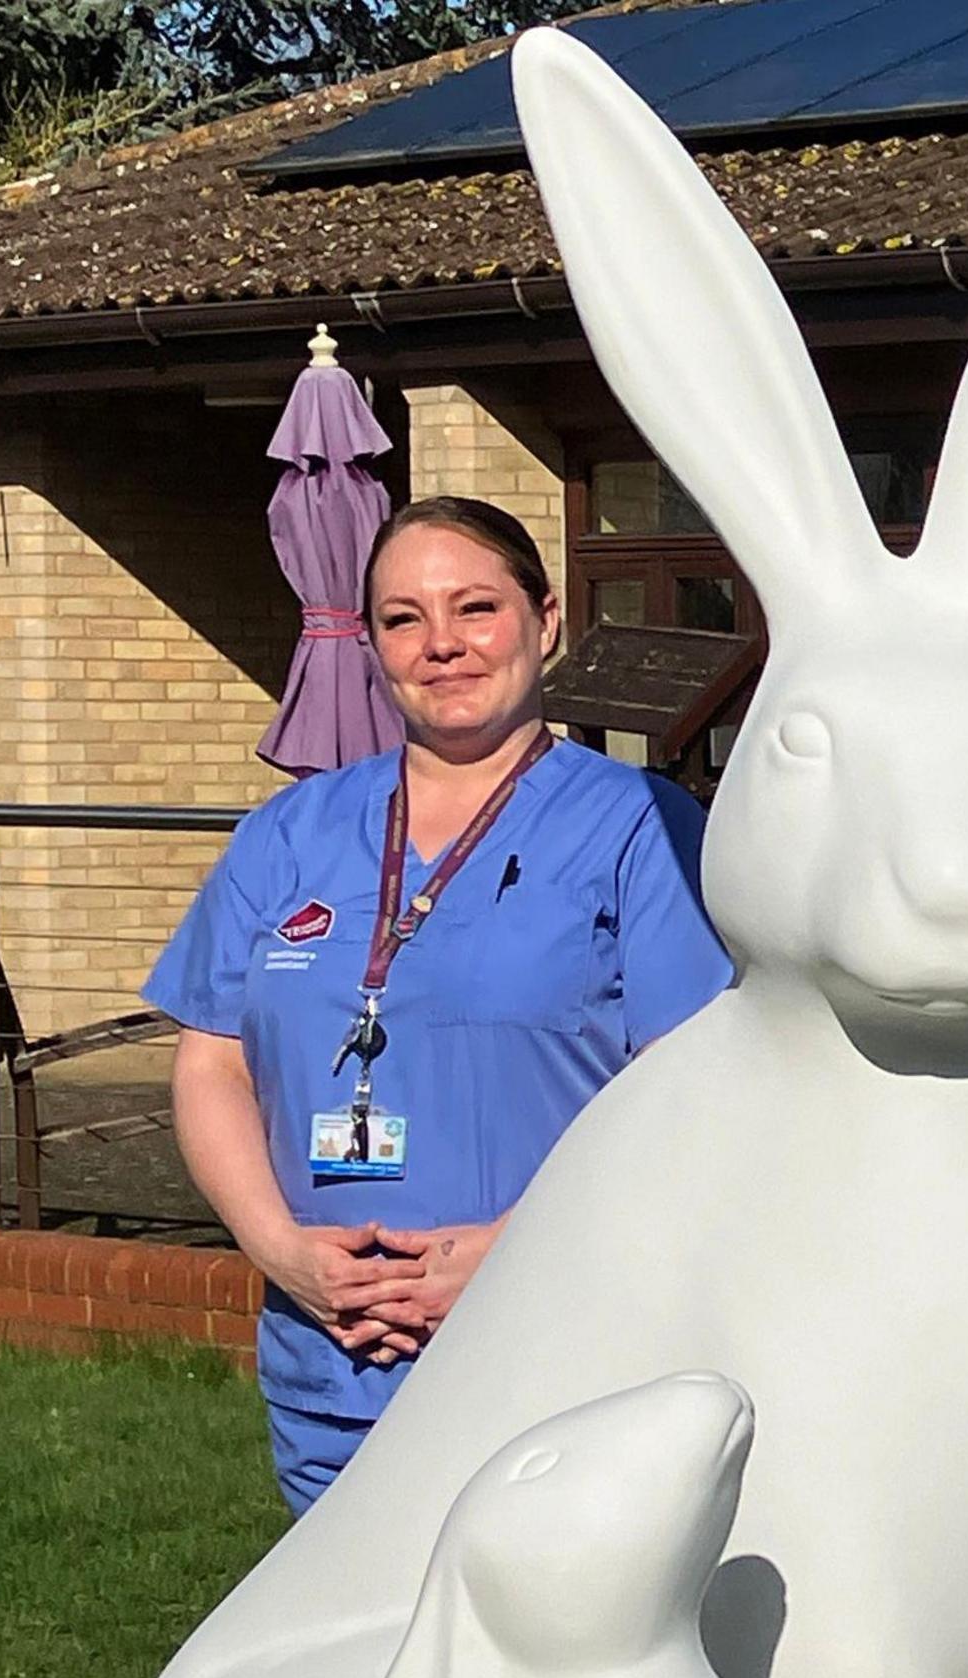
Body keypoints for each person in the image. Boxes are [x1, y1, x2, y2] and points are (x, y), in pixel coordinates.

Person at [150, 496, 734, 1513]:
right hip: (330, 1363)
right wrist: (285, 1254)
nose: (442, 646)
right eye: (403, 619)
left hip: (551, 1356)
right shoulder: (292, 832)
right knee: (348, 1659)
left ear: (545, 622)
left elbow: (696, 1094)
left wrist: (516, 1253)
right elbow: (212, 1064)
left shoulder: (638, 826)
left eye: (476, 609)